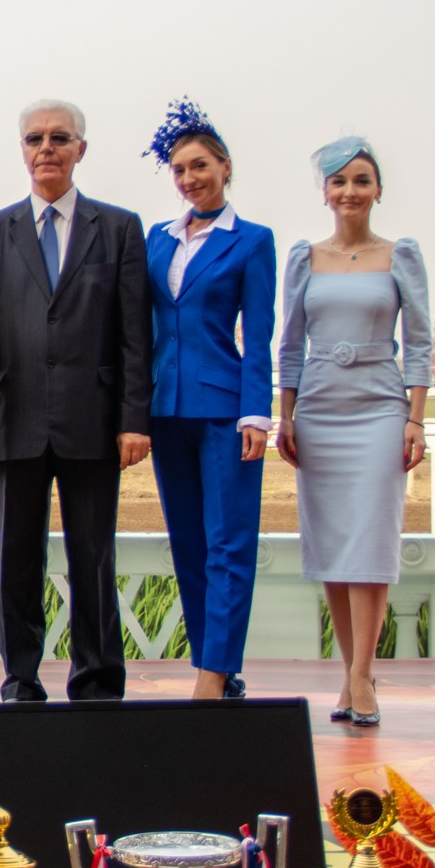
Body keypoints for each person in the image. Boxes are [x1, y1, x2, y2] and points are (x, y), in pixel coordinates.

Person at [0, 99, 152, 702]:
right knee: (18, 558)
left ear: (80, 150)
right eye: (35, 138)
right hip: (12, 418)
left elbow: (133, 334)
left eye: (59, 138)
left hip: (93, 420)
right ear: (22, 150)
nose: (46, 147)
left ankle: (97, 678)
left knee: (92, 557)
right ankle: (20, 677)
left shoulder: (119, 228)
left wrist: (132, 420)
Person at [276, 137, 427, 728]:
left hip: (379, 410)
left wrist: (416, 418)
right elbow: (288, 345)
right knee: (335, 550)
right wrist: (284, 413)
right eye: (339, 182)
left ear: (378, 190)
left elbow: (417, 341)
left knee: (370, 547)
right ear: (325, 193)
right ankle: (348, 673)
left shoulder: (401, 255)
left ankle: (363, 675)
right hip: (318, 410)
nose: (349, 192)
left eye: (361, 181)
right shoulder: (304, 258)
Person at [142, 100, 276, 701]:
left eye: (199, 166)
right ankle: (214, 662)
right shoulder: (157, 240)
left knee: (228, 542)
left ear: (225, 167)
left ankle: (213, 675)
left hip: (226, 412)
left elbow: (260, 333)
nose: (189, 178)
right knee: (189, 544)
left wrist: (256, 411)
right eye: (178, 170)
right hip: (166, 411)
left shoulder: (251, 241)